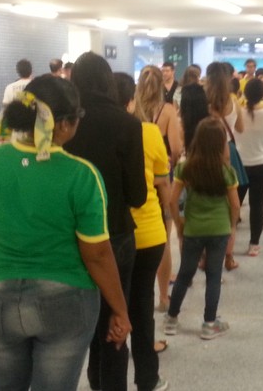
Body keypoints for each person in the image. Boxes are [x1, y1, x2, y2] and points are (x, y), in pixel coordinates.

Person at [0, 76, 131, 391]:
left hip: (0, 293)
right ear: (64, 125)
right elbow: (96, 254)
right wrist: (121, 309)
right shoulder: (82, 175)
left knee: (2, 383)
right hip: (66, 301)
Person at [64, 51, 147, 391]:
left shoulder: (66, 123)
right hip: (115, 235)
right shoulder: (127, 123)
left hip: (69, 238)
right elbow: (137, 195)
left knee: (73, 326)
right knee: (114, 321)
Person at [115, 72, 170, 391]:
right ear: (132, 100)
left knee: (113, 309)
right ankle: (147, 379)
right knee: (142, 307)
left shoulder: (96, 133)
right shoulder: (148, 132)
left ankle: (109, 378)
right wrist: (169, 216)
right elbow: (163, 183)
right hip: (149, 233)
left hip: (113, 236)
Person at [164, 117, 240, 339]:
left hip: (193, 229)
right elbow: (235, 204)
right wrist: (232, 226)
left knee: (185, 274)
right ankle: (209, 323)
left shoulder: (185, 168)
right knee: (214, 275)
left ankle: (171, 318)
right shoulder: (227, 172)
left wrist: (179, 224)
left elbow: (172, 200)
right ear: (221, 144)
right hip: (219, 230)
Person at [134, 65, 182, 313]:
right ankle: (163, 297)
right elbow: (174, 146)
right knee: (163, 240)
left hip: (135, 178)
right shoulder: (168, 111)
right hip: (161, 177)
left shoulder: (130, 111)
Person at [205, 62, 244, 270]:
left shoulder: (206, 102)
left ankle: (205, 256)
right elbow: (241, 127)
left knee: (208, 205)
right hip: (231, 153)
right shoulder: (233, 101)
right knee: (231, 208)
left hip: (208, 152)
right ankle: (228, 256)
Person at [236, 79, 263, 256]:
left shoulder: (238, 113)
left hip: (240, 164)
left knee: (233, 204)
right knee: (257, 203)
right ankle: (254, 244)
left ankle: (226, 242)